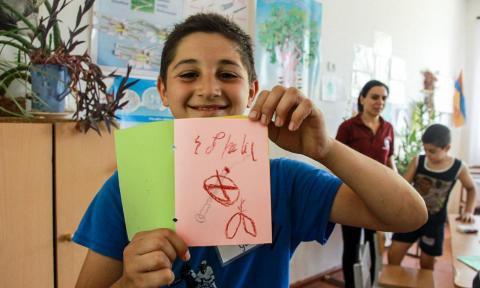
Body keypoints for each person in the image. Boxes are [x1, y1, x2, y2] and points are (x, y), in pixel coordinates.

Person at [73, 13, 427, 288]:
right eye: (188, 74)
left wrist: (326, 149)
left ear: (252, 89)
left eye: (228, 74)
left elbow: (409, 215)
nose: (210, 89)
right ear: (163, 91)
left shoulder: (284, 181)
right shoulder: (128, 188)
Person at [388, 123, 477, 270]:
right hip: (411, 217)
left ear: (447, 148)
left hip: (435, 223)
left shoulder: (459, 167)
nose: (428, 154)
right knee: (393, 255)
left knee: (426, 263)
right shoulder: (418, 161)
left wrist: (468, 211)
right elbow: (403, 186)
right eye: (425, 150)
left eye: (432, 151)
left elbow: (471, 189)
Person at [335, 80, 396, 288]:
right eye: (375, 97)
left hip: (379, 198)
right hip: (351, 196)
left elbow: (389, 161)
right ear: (362, 99)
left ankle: (372, 284)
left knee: (374, 246)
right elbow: (337, 161)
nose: (380, 102)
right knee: (351, 247)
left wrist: (398, 186)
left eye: (384, 98)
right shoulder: (347, 128)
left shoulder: (388, 128)